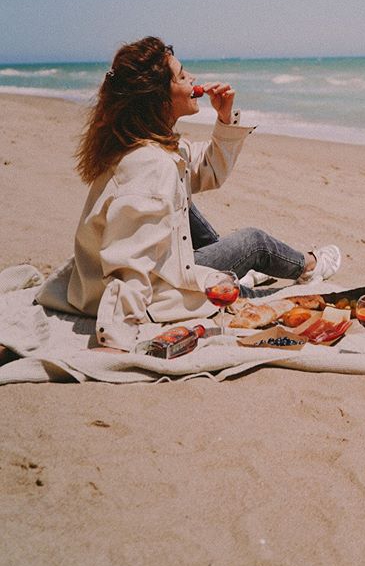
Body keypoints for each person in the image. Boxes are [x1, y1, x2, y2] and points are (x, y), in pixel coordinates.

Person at [68, 37, 340, 351]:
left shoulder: (147, 144)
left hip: (161, 264)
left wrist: (224, 118)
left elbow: (207, 169)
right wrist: (113, 338)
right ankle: (309, 266)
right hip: (158, 287)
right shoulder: (151, 166)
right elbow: (130, 260)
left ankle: (238, 277)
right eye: (182, 76)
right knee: (255, 242)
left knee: (186, 205)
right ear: (160, 99)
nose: (193, 78)